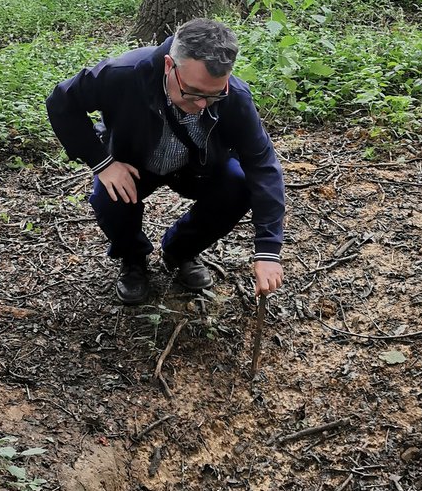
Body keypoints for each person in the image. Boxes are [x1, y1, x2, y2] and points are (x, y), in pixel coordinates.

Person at [47, 18, 285, 305]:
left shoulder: (234, 97)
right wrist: (103, 163)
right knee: (108, 195)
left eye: (214, 95)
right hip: (134, 163)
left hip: (198, 168)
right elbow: (61, 102)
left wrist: (268, 250)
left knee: (239, 184)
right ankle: (132, 258)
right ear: (170, 65)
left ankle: (181, 251)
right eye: (194, 92)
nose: (201, 104)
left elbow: (262, 165)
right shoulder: (123, 74)